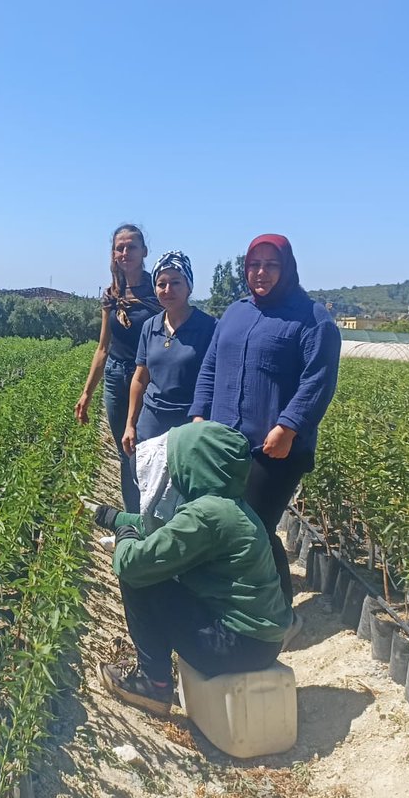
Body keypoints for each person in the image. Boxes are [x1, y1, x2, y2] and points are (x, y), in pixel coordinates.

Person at [189, 233, 341, 640]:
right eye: (254, 264)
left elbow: (318, 383)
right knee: (233, 527)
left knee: (254, 527)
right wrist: (200, 414)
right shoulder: (236, 314)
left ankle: (282, 615)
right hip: (225, 443)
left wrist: (288, 425)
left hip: (277, 449)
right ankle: (243, 604)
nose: (261, 273)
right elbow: (210, 367)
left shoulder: (311, 319)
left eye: (271, 265)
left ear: (287, 268)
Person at [92, 421, 292, 715]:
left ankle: (154, 683)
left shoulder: (207, 515)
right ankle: (156, 679)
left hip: (233, 647)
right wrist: (116, 518)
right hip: (261, 642)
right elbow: (167, 530)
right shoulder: (229, 506)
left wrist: (124, 537)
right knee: (156, 570)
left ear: (195, 464)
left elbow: (131, 564)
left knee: (140, 578)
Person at [75, 224, 161, 513]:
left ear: (144, 252)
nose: (125, 252)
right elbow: (102, 348)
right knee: (125, 453)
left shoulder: (158, 291)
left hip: (149, 380)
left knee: (148, 452)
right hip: (115, 377)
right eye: (119, 247)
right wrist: (87, 393)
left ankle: (154, 520)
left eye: (131, 247)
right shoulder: (112, 294)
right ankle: (134, 523)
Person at [122, 251, 216, 458]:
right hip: (151, 423)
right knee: (148, 486)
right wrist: (130, 424)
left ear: (188, 286)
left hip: (189, 424)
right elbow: (140, 378)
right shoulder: (150, 326)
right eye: (161, 284)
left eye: (175, 282)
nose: (167, 290)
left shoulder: (209, 328)